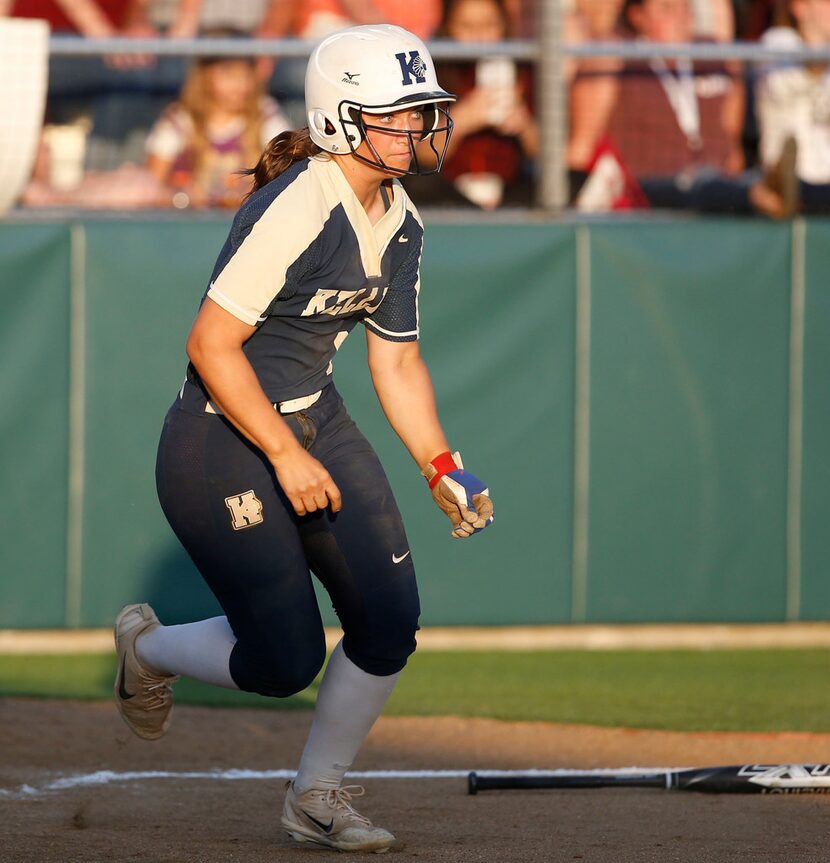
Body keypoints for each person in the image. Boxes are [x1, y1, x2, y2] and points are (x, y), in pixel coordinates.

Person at [112, 23, 494, 854]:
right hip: (223, 435)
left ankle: (316, 795)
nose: (418, 128)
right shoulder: (299, 202)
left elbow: (398, 366)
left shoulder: (400, 219)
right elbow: (210, 343)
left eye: (420, 111)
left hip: (315, 415)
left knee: (391, 621)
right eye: (397, 114)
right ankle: (148, 646)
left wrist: (441, 463)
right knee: (284, 660)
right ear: (339, 118)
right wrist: (285, 455)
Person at [404, 0, 539, 208]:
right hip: (449, 191)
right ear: (448, 27)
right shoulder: (432, 73)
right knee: (413, 183)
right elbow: (423, 158)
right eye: (467, 26)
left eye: (489, 25)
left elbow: (548, 157)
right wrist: (462, 120)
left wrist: (524, 126)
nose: (480, 37)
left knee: (564, 183)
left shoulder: (523, 69)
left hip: (509, 190)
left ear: (504, 25)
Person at [145, 35, 291, 208]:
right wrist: (183, 196)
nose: (240, 84)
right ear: (205, 76)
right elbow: (151, 184)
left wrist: (249, 192)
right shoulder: (180, 119)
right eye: (229, 74)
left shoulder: (265, 114)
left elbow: (288, 178)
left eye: (246, 75)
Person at [754, 0, 830, 213]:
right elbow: (781, 84)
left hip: (825, 183)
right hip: (786, 184)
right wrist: (819, 51)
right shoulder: (778, 41)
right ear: (799, 7)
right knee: (786, 186)